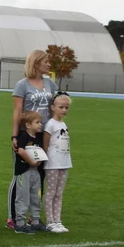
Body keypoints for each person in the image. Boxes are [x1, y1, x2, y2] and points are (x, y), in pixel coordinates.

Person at [8, 49, 58, 228]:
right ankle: (13, 217)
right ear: (36, 63)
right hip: (26, 136)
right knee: (21, 176)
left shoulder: (50, 84)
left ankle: (34, 217)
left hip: (43, 135)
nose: (49, 64)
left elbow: (54, 110)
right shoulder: (22, 85)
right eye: (46, 61)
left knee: (39, 176)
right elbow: (17, 111)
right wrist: (15, 135)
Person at [42, 93, 72, 233]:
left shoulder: (63, 124)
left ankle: (58, 220)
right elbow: (46, 144)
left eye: (66, 107)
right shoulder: (50, 124)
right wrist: (45, 160)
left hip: (64, 162)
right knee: (51, 192)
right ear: (53, 107)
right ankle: (50, 221)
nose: (64, 110)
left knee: (59, 193)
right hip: (53, 163)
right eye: (61, 107)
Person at [13, 111, 46, 235]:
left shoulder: (37, 137)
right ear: (28, 125)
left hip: (35, 171)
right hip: (24, 171)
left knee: (36, 195)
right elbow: (20, 151)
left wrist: (38, 161)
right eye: (37, 122)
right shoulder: (23, 136)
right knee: (23, 197)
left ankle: (35, 221)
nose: (40, 125)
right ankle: (20, 223)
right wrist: (31, 161)